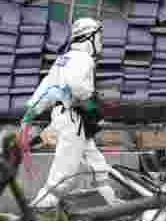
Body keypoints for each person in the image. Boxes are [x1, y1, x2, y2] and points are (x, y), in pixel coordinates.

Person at [21, 17, 114, 209]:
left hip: (64, 117)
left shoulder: (63, 59)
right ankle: (38, 211)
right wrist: (92, 107)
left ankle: (109, 203)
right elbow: (77, 87)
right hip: (73, 120)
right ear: (89, 37)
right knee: (63, 176)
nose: (101, 42)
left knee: (97, 166)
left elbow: (46, 89)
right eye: (99, 38)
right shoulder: (84, 59)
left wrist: (29, 115)